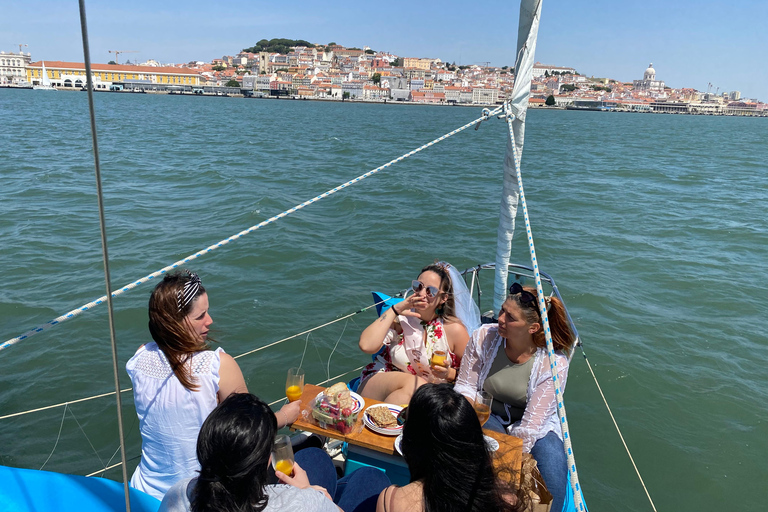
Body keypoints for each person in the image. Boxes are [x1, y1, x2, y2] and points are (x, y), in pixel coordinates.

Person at [126, 270, 300, 500]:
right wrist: (285, 415)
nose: (210, 321)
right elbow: (250, 434)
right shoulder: (217, 367)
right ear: (173, 323)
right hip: (196, 497)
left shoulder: (140, 358)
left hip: (143, 492)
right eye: (200, 316)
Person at [454, 282, 575, 512]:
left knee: (554, 474)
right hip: (486, 412)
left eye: (510, 317)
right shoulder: (483, 337)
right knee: (493, 470)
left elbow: (530, 427)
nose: (500, 319)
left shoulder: (554, 364)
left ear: (533, 328)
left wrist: (515, 455)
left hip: (536, 427)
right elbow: (465, 388)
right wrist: (467, 416)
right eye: (502, 311)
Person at [160, 393, 390, 512]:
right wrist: (311, 493)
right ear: (267, 462)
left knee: (314, 457)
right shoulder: (304, 504)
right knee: (371, 477)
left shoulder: (180, 494)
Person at [376, 383, 522, 512]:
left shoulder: (392, 501)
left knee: (368, 477)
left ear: (413, 441)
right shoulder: (506, 500)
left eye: (405, 420)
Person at [357, 262, 480, 404]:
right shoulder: (400, 318)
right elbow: (366, 345)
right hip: (381, 384)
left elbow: (475, 377)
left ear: (443, 298)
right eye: (418, 286)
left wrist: (449, 374)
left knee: (419, 390)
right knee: (416, 384)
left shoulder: (454, 330)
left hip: (423, 399)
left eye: (430, 291)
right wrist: (394, 310)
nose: (422, 294)